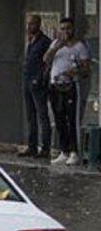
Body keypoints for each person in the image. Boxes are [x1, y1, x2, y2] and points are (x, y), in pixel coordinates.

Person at [44, 17, 90, 166]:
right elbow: (46, 59)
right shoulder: (55, 44)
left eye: (68, 28)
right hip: (55, 85)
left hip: (70, 86)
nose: (65, 32)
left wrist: (75, 71)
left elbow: (86, 69)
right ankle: (64, 150)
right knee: (59, 119)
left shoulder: (79, 47)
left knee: (72, 120)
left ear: (73, 29)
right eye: (62, 29)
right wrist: (57, 47)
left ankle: (75, 152)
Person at [20, 15, 53, 158]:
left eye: (32, 24)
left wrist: (40, 78)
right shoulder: (31, 41)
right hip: (27, 81)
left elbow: (47, 63)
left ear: (39, 24)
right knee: (30, 115)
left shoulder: (45, 42)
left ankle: (45, 148)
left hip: (37, 82)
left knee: (42, 115)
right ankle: (32, 146)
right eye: (28, 24)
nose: (29, 26)